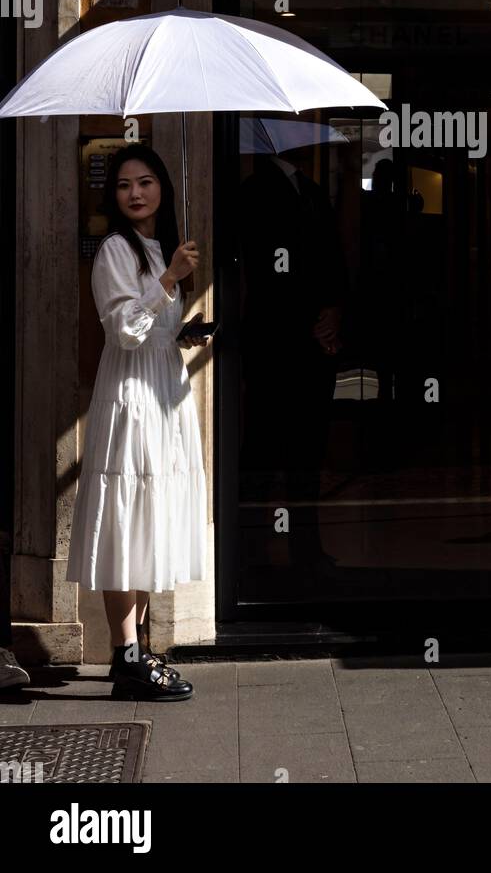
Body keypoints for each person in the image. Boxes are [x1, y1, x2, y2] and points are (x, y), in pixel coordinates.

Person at [66, 143, 210, 700]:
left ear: (162, 189)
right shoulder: (114, 251)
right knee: (127, 515)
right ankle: (124, 656)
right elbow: (123, 330)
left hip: (164, 390)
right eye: (125, 185)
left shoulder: (159, 246)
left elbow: (153, 329)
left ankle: (137, 652)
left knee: (150, 515)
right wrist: (168, 279)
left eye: (145, 182)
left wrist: (183, 330)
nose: (135, 193)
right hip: (130, 394)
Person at [239, 143, 347, 576]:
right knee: (264, 451)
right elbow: (264, 273)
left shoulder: (312, 190)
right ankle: (249, 553)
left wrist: (334, 311)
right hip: (273, 345)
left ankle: (307, 549)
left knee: (307, 453)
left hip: (312, 349)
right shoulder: (254, 191)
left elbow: (332, 260)